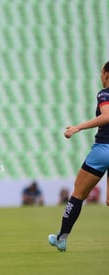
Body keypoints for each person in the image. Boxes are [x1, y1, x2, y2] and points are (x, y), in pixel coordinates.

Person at [48, 61, 109, 252]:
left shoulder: (105, 93)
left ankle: (62, 237)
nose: (100, 75)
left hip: (103, 149)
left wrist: (78, 127)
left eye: (101, 71)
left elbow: (107, 116)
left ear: (107, 74)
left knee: (78, 194)